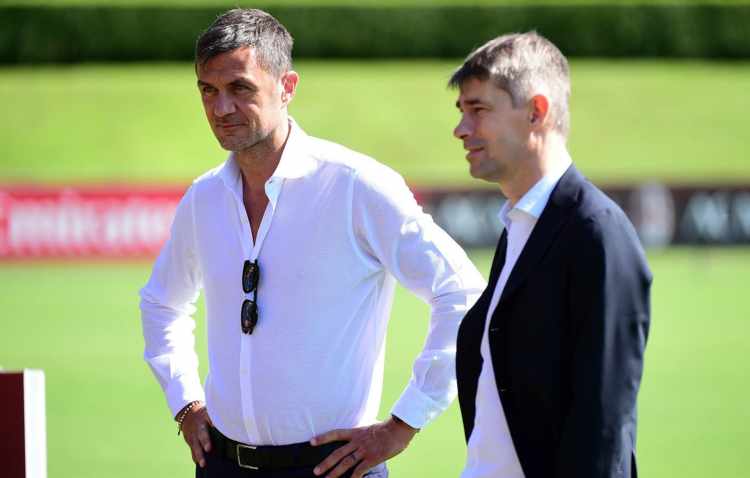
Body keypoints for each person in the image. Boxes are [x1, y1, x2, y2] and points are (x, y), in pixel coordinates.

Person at [139, 8, 485, 478]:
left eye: (240, 88)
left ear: (287, 87)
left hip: (335, 468)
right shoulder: (204, 197)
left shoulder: (356, 185)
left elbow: (461, 291)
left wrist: (403, 424)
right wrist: (185, 403)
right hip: (221, 465)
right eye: (208, 90)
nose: (221, 108)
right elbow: (162, 303)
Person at [450, 32, 652, 478]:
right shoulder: (520, 226)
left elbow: (602, 426)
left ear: (536, 112)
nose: (461, 129)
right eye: (461, 111)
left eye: (478, 110)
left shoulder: (596, 233)